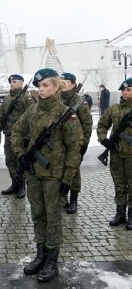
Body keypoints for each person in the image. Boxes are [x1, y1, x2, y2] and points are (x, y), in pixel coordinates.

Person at [11, 68, 82, 283]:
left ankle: (52, 259)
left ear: (56, 87)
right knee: (37, 215)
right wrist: (21, 154)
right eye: (39, 86)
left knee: (53, 219)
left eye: (46, 86)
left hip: (54, 176)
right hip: (34, 173)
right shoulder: (32, 111)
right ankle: (40, 254)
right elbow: (16, 132)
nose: (41, 90)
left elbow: (74, 149)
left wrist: (67, 180)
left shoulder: (66, 114)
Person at [97, 77, 132, 230]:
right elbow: (102, 125)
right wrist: (104, 140)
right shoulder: (114, 109)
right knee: (119, 185)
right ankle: (120, 214)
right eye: (123, 90)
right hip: (116, 154)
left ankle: (131, 216)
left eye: (128, 90)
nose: (125, 92)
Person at [60, 73, 93, 214]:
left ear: (73, 84)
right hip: (58, 144)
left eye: (66, 82)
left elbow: (87, 124)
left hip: (74, 144)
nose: (63, 84)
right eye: (61, 81)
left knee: (74, 173)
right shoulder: (56, 99)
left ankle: (73, 200)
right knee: (59, 171)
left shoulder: (79, 102)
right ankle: (62, 199)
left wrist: (83, 144)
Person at [0, 74, 33, 198]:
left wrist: (27, 137)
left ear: (21, 83)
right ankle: (14, 184)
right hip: (8, 135)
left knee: (20, 162)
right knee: (10, 161)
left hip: (20, 136)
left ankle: (21, 186)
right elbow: (1, 113)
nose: (12, 84)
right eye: (11, 82)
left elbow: (31, 118)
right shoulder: (8, 98)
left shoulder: (26, 97)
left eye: (14, 81)